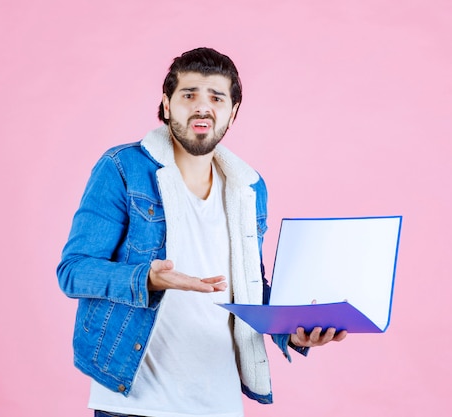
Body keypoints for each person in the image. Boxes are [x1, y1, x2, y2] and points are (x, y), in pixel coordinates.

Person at [57, 47, 347, 417]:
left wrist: (293, 329)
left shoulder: (249, 188)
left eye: (216, 97)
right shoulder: (122, 168)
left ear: (233, 111)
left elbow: (249, 286)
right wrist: (146, 278)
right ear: (166, 104)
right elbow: (74, 271)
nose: (202, 106)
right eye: (189, 94)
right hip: (132, 401)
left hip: (218, 402)